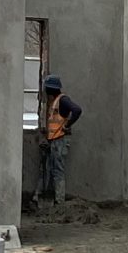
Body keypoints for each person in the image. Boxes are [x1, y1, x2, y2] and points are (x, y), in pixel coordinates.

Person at [38, 74, 81, 203]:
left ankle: (60, 201)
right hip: (53, 140)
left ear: (51, 88)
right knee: (50, 169)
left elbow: (77, 110)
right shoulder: (55, 102)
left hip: (59, 141)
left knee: (58, 171)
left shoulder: (62, 100)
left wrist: (67, 126)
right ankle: (51, 199)